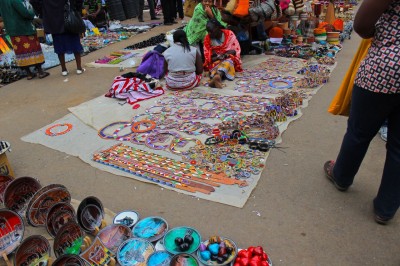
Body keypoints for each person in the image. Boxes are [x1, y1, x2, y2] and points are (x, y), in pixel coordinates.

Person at [323, 0, 400, 225]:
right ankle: (385, 209)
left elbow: (363, 24)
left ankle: (342, 176)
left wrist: (384, 35)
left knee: (359, 131)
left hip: (385, 68)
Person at [0, 0, 49, 79]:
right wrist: (31, 12)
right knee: (33, 49)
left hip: (12, 30)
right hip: (23, 28)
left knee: (20, 51)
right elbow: (26, 13)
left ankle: (29, 74)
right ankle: (40, 72)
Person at [41, 0, 85, 76]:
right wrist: (76, 10)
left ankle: (64, 70)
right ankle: (79, 68)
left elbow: (34, 2)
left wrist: (45, 11)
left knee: (59, 46)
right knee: (75, 44)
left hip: (54, 22)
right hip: (68, 20)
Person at [203, 19, 242, 88]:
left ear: (217, 28)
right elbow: (208, 58)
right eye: (208, 31)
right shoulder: (207, 39)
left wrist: (224, 55)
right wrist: (218, 57)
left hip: (228, 58)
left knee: (228, 61)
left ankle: (217, 76)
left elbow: (235, 50)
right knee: (214, 64)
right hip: (216, 61)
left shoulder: (229, 34)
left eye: (211, 31)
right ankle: (217, 77)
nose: (209, 33)